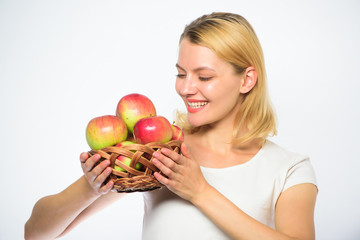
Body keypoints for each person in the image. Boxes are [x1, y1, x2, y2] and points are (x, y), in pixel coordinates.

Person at [25, 12, 318, 240]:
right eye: (181, 74)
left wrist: (201, 192)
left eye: (204, 77)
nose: (186, 89)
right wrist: (92, 188)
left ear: (247, 80)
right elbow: (36, 233)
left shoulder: (289, 168)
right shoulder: (158, 152)